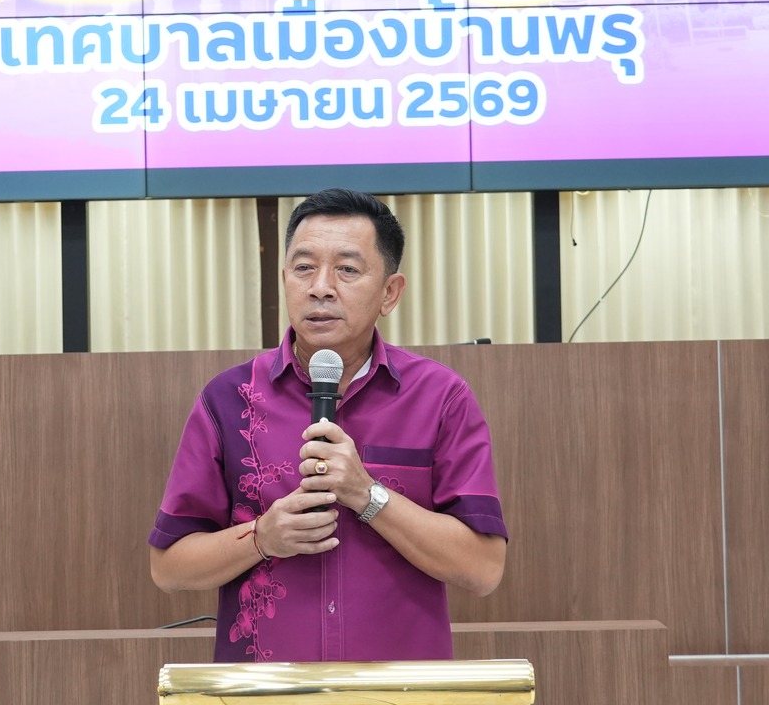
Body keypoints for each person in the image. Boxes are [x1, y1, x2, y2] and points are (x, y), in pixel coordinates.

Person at [149, 188, 507, 672]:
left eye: (347, 269)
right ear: (285, 280)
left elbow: (484, 569)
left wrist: (367, 495)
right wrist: (261, 537)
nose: (321, 287)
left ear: (390, 293)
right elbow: (168, 566)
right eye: (304, 268)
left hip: (402, 698)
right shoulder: (228, 399)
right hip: (265, 697)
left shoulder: (441, 398)